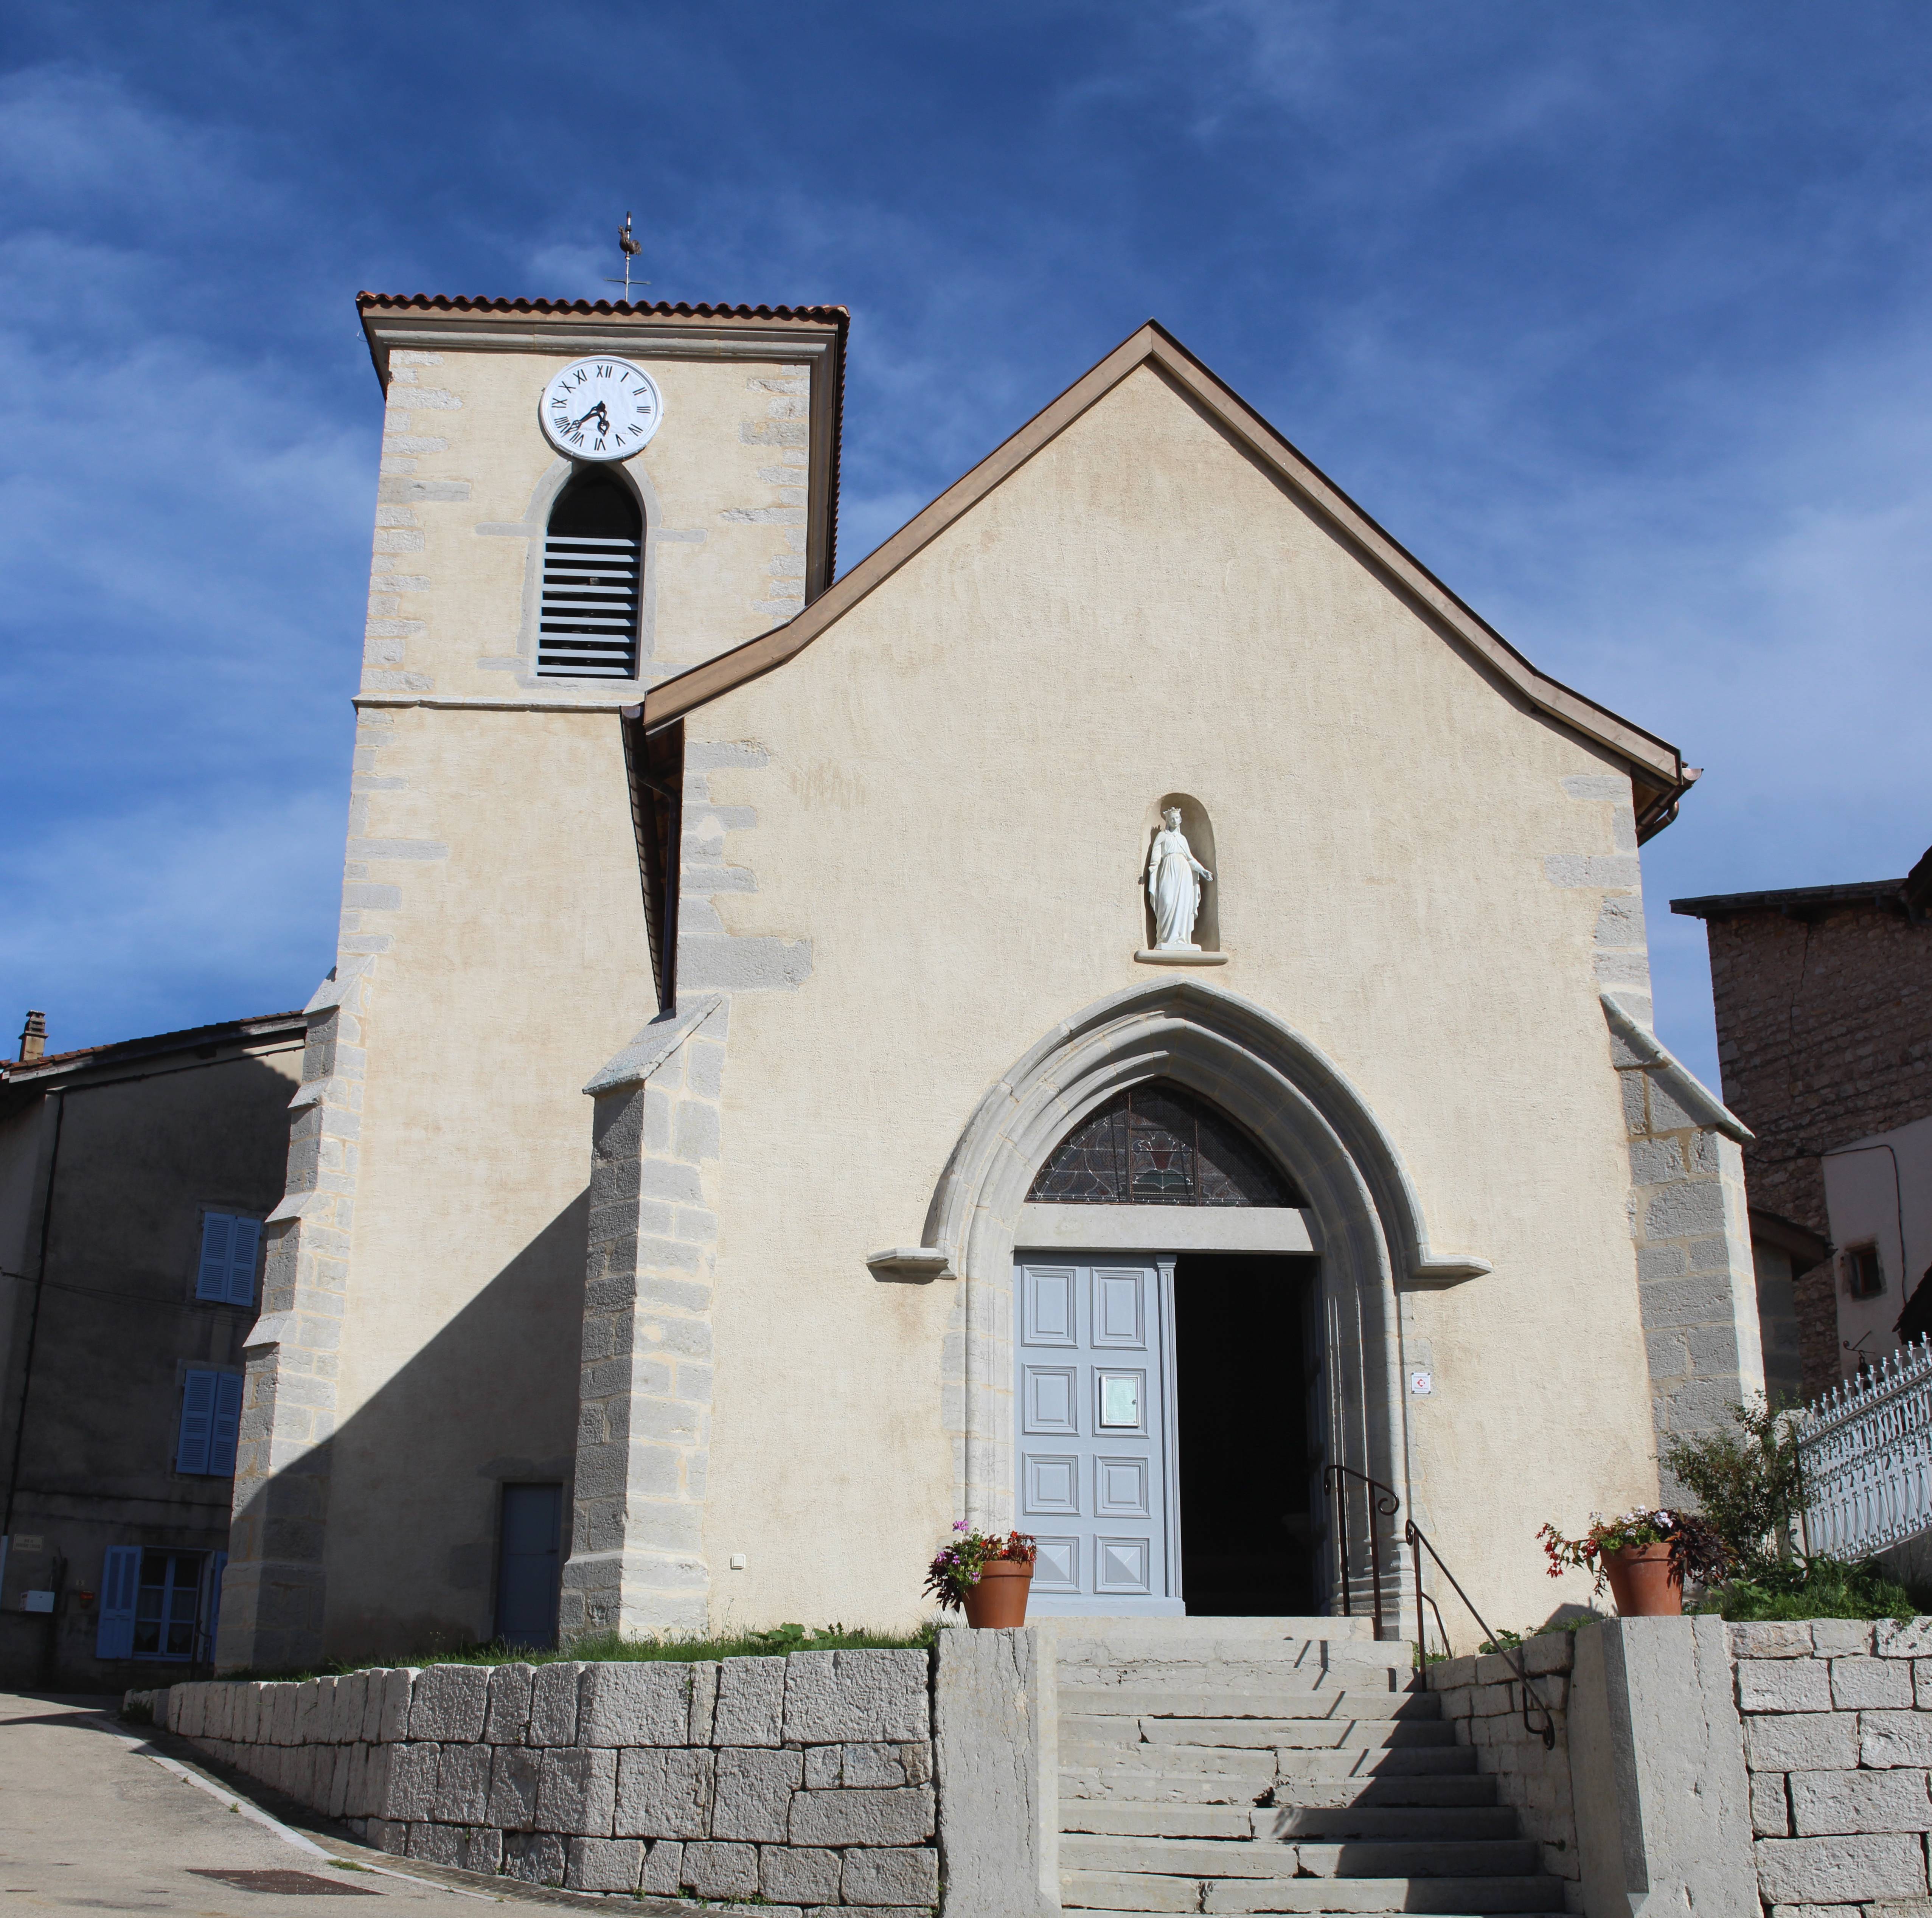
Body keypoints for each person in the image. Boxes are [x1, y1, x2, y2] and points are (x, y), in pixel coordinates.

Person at [1148, 807, 1213, 949]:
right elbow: (1157, 856)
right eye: (1172, 819)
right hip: (1168, 870)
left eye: (1177, 818)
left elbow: (1190, 859)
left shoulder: (1183, 839)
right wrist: (1154, 867)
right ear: (1167, 821)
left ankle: (1181, 939)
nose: (1175, 821)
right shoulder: (1162, 837)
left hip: (1184, 874)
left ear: (1181, 820)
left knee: (1183, 905)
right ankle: (1165, 938)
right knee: (1167, 901)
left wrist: (1202, 870)